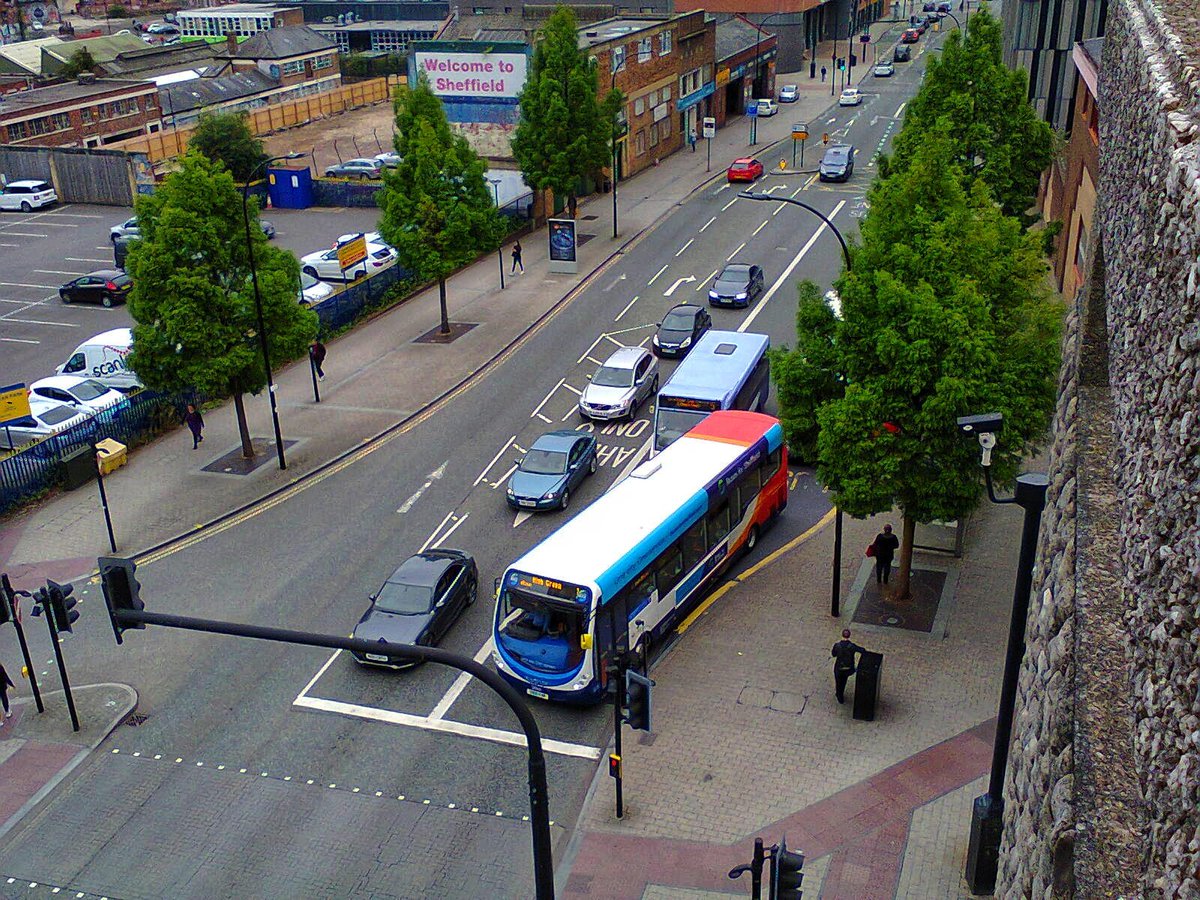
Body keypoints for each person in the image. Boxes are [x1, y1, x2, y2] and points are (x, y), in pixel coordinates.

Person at [831, 629, 865, 704]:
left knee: (838, 682)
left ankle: (839, 694)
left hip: (838, 668)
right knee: (843, 682)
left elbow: (833, 654)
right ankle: (840, 693)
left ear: (842, 635)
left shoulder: (837, 645)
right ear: (849, 636)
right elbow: (862, 650)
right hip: (848, 669)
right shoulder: (852, 646)